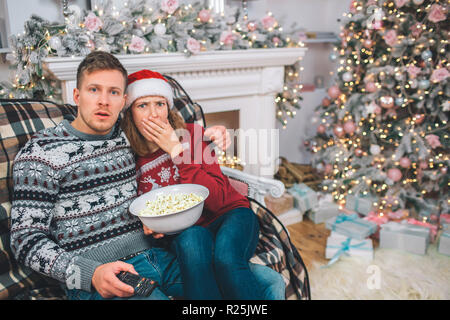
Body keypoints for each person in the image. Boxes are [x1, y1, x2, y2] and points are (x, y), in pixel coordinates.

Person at [9, 51, 284, 300]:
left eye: (114, 92)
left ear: (123, 102)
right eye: (94, 90)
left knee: (269, 283)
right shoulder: (41, 154)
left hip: (159, 256)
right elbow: (24, 240)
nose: (104, 101)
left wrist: (207, 137)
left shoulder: (126, 136)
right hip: (110, 271)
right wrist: (86, 274)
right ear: (77, 96)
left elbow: (175, 137)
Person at [120, 69, 285, 300]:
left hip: (231, 214)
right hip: (187, 232)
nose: (154, 114)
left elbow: (218, 200)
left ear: (168, 107)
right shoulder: (129, 157)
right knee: (193, 241)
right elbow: (142, 208)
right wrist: (149, 226)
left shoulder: (193, 134)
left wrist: (177, 151)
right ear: (129, 112)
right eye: (142, 105)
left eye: (159, 104)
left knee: (226, 259)